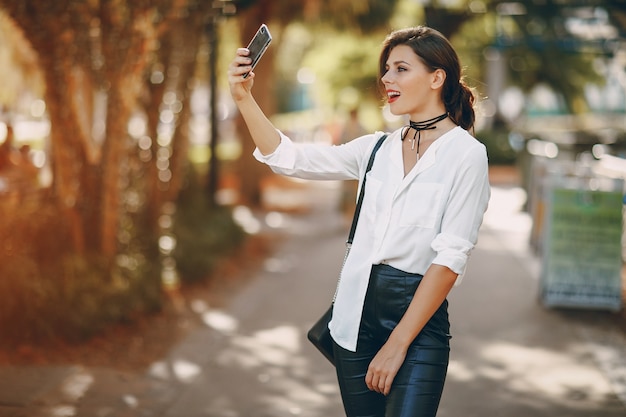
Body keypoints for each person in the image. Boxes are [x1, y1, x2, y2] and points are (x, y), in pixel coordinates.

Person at [228, 25, 490, 417]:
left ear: (437, 78)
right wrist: (243, 98)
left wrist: (398, 343)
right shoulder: (377, 148)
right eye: (386, 69)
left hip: (417, 324)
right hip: (353, 322)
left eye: (401, 68)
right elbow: (290, 158)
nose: (387, 78)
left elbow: (450, 259)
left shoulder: (467, 155)